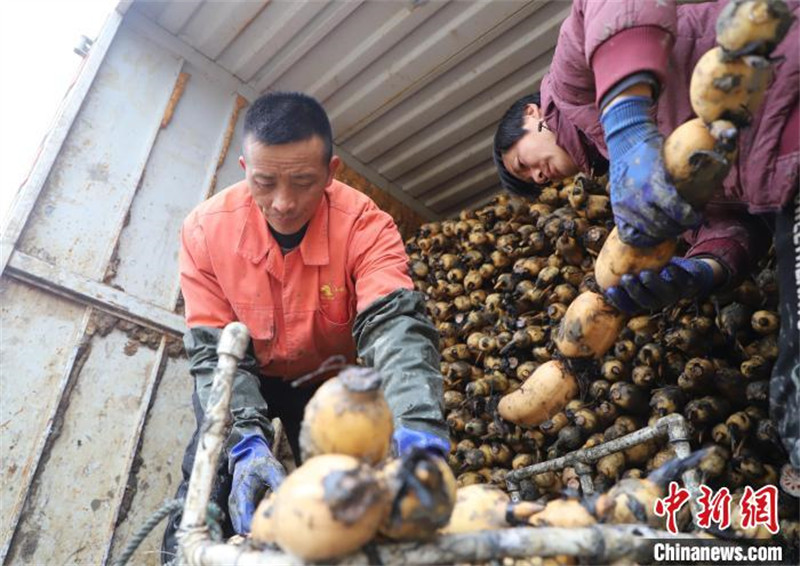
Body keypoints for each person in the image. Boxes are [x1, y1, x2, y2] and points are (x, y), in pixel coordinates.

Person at [493, 0, 798, 465]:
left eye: (522, 163)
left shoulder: (572, 83)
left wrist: (627, 120)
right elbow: (731, 219)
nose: (537, 178)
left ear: (534, 114)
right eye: (530, 183)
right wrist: (706, 268)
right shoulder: (626, 174)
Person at [161, 92, 449, 562]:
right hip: (246, 375)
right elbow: (215, 354)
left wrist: (417, 426)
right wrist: (247, 443)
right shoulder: (203, 232)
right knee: (208, 475)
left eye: (303, 182)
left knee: (337, 499)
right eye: (264, 182)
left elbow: (394, 326)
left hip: (326, 384)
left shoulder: (367, 227)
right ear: (244, 167)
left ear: (331, 172)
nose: (283, 202)